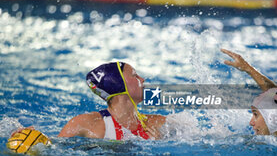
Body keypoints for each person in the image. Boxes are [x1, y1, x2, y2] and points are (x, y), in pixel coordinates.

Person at [11, 61, 166, 144]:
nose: (142, 79)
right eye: (135, 75)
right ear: (118, 85)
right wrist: (34, 140)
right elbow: (53, 150)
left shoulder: (157, 122)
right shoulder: (86, 124)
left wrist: (159, 145)